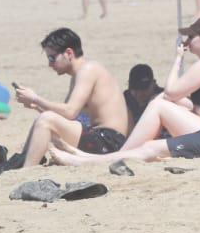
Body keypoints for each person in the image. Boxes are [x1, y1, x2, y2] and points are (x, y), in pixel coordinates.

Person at [49, 17, 200, 166]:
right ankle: (101, 156)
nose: (187, 40)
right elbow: (199, 103)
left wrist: (178, 59)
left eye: (191, 37)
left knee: (159, 103)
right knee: (162, 102)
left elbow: (170, 92)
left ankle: (110, 156)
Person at [11, 28, 128, 166]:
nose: (49, 64)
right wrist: (35, 106)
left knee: (46, 120)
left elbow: (69, 112)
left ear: (68, 53)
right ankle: (21, 163)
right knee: (43, 123)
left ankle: (26, 170)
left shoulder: (88, 69)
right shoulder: (78, 75)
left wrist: (36, 98)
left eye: (52, 58)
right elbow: (66, 118)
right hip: (100, 138)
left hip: (109, 141)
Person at [123, 63, 163, 133]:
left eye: (143, 89)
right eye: (135, 89)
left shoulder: (163, 99)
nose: (139, 93)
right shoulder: (125, 99)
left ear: (153, 84)